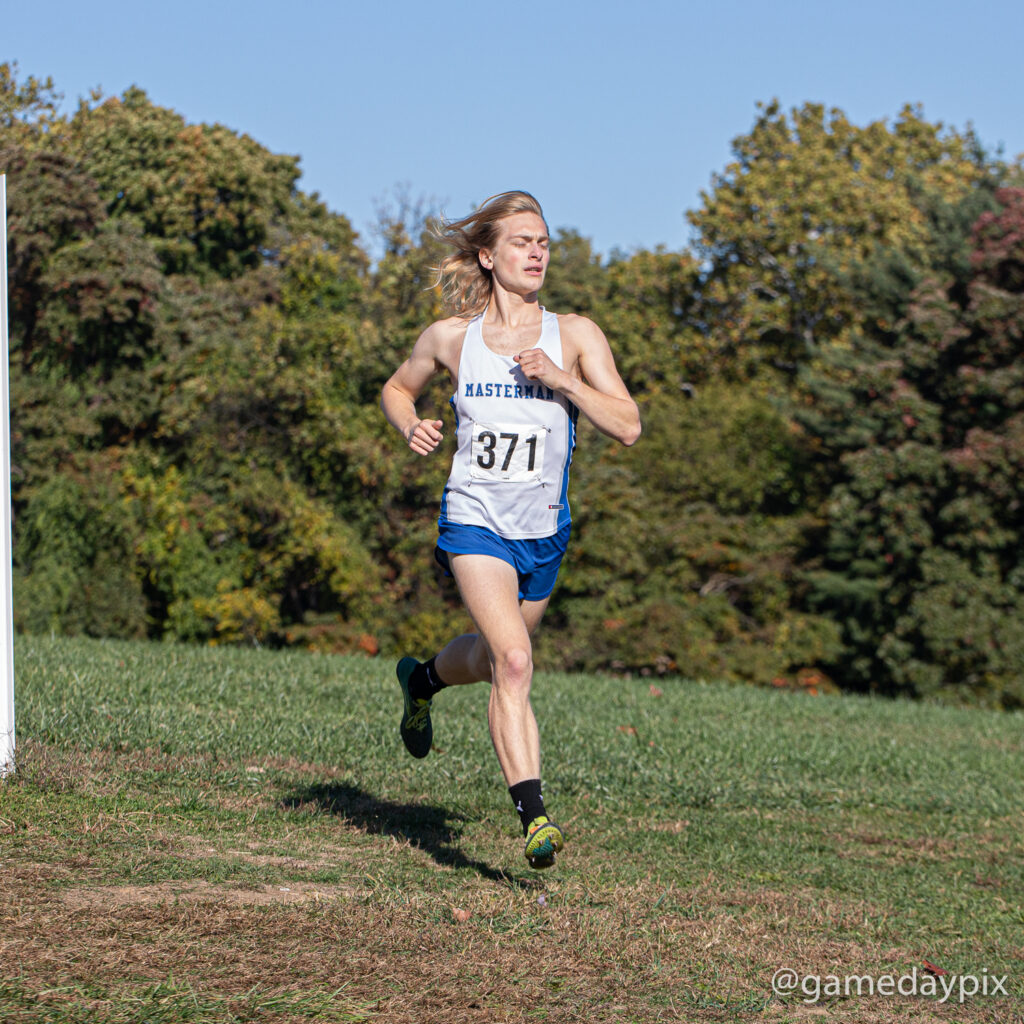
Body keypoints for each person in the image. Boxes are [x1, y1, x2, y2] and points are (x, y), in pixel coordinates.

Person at [380, 191, 640, 869]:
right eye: (523, 242)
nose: (537, 253)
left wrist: (563, 382)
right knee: (516, 661)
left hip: (543, 531)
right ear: (488, 256)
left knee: (500, 656)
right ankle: (535, 819)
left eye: (544, 243)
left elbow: (629, 424)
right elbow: (397, 388)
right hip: (475, 520)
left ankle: (424, 682)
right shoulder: (450, 338)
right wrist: (411, 425)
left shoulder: (576, 334)